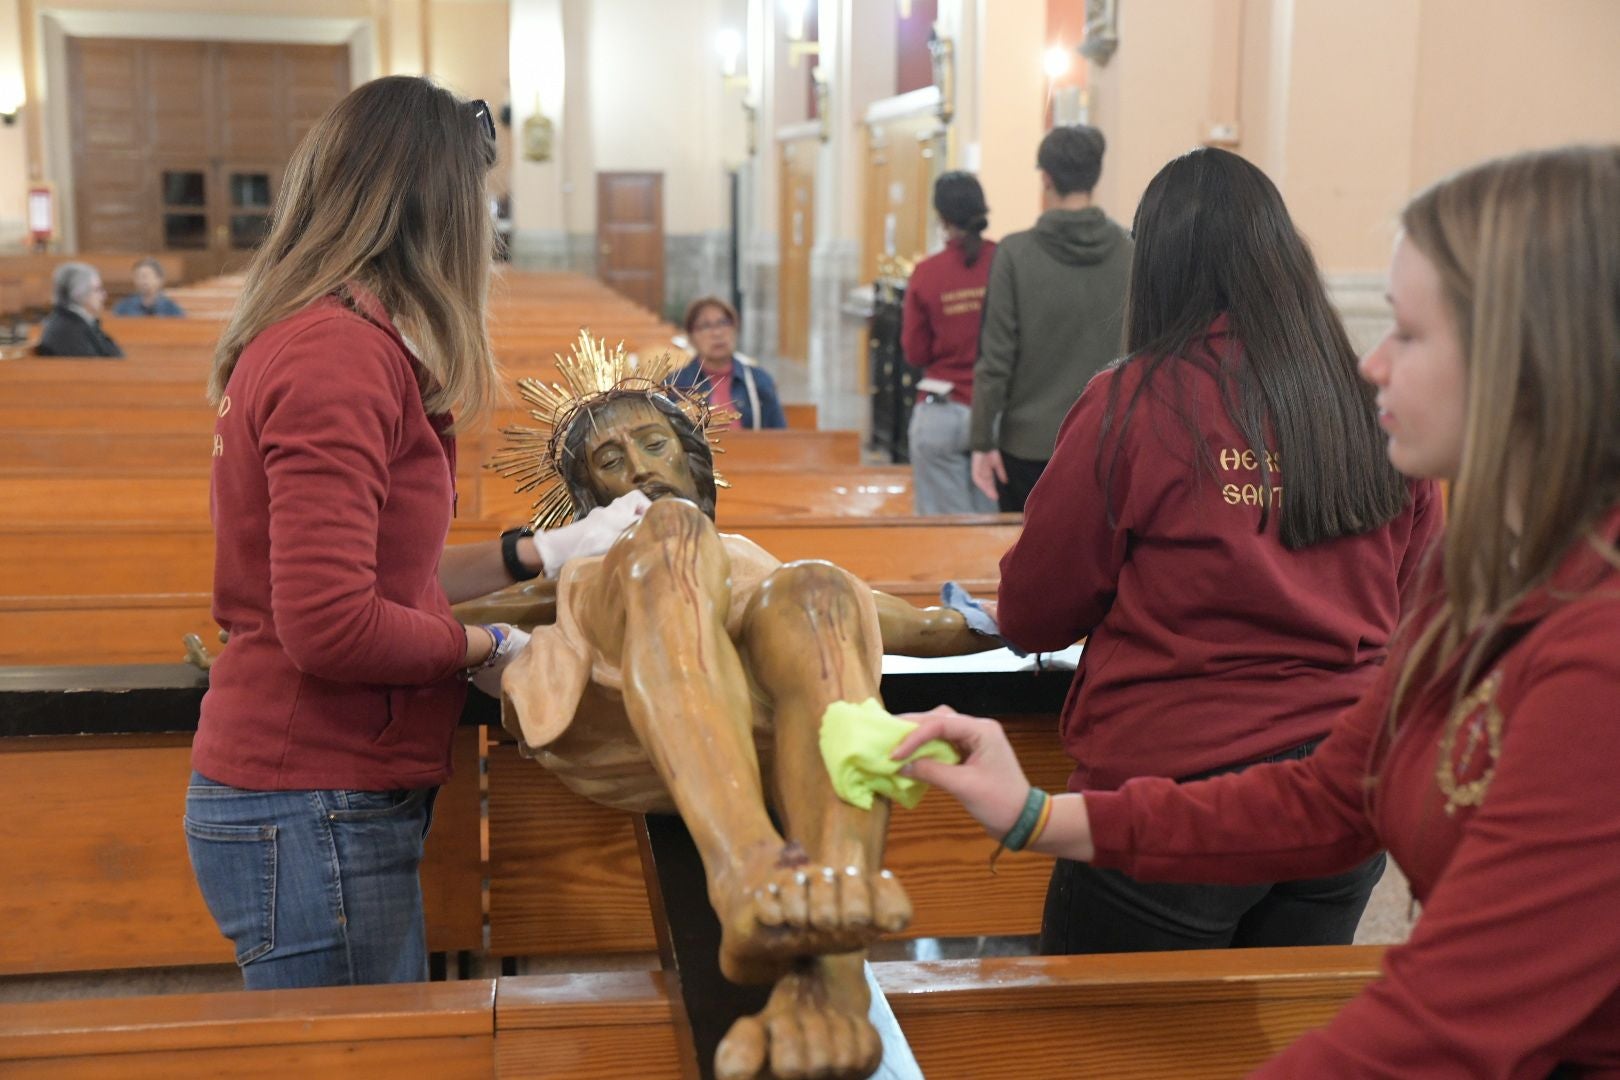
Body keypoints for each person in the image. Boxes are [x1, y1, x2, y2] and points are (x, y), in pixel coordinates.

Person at [897, 145, 1620, 1075]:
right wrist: (1039, 816)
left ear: (1529, 358)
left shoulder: (1596, 650)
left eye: (1408, 330)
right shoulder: (1477, 573)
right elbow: (1325, 795)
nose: (1370, 361)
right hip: (1258, 801)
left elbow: (1443, 1028)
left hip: (1172, 745)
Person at [185, 76, 642, 992]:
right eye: (481, 199)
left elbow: (375, 568)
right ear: (437, 207)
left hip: (321, 792)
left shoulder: (330, 338)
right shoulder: (337, 357)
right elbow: (330, 622)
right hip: (311, 790)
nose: (491, 221)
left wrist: (540, 551)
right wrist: (497, 644)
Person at [462, 337, 1002, 1080]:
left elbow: (934, 626)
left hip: (757, 700)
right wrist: (491, 635)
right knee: (672, 534)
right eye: (611, 461)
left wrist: (1050, 611)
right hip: (623, 696)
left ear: (693, 459)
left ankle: (835, 941)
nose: (642, 467)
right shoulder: (584, 559)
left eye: (654, 445)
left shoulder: (749, 558)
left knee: (818, 586)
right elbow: (442, 606)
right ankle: (746, 868)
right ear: (588, 494)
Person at [991, 147, 1442, 957]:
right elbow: (1416, 597)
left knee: (1102, 1045)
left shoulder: (1134, 400)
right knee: (1267, 1044)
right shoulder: (1369, 401)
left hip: (1178, 788)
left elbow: (1032, 614)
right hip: (1344, 786)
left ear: (1157, 267)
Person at [969, 124, 1131, 511]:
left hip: (1029, 448)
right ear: (1096, 176)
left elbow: (996, 361)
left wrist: (981, 442)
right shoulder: (1131, 250)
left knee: (1028, 563)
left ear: (1045, 177)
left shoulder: (1014, 254)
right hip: (1112, 444)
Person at [901, 171, 998, 515]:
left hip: (942, 410)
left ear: (941, 217)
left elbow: (915, 351)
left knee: (943, 530)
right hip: (997, 413)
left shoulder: (927, 273)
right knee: (993, 533)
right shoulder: (1004, 261)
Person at [671, 295, 787, 430]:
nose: (717, 333)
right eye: (705, 326)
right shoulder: (675, 386)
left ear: (735, 330)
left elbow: (780, 437)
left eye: (723, 323)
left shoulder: (759, 381)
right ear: (691, 337)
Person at [34, 262, 123, 357]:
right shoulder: (67, 330)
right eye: (97, 289)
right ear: (79, 292)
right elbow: (92, 367)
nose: (104, 295)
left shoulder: (80, 321)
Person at [113, 257, 185, 317]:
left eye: (146, 276)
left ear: (159, 279)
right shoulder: (124, 306)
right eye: (138, 277)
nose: (142, 281)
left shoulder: (171, 308)